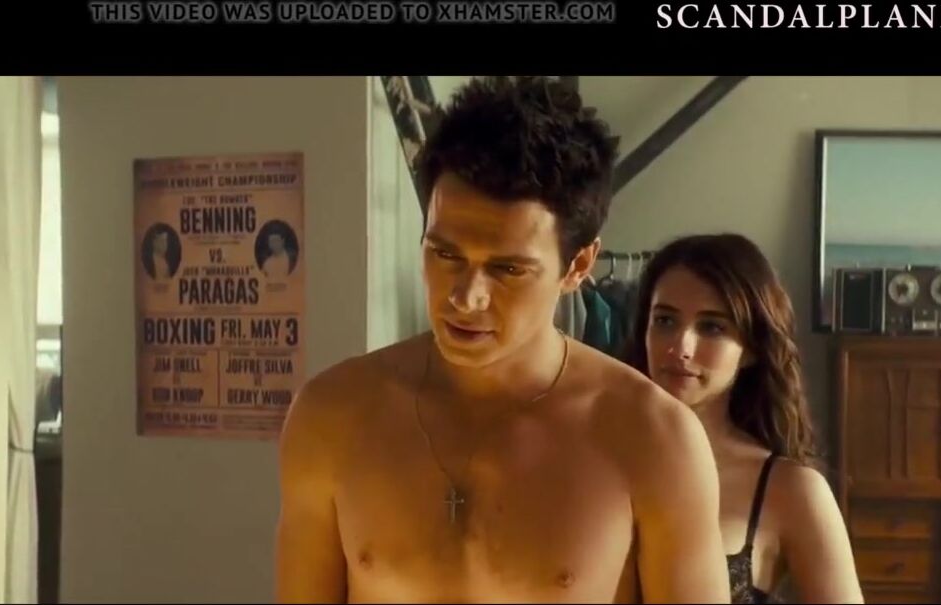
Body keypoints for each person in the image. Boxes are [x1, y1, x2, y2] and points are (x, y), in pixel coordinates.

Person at [275, 77, 730, 603]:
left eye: (507, 269)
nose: (466, 297)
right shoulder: (333, 416)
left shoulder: (653, 439)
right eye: (445, 255)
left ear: (579, 265)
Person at [622, 233, 865, 604]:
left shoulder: (791, 490)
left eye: (712, 327)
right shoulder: (595, 455)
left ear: (750, 348)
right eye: (665, 320)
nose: (681, 347)